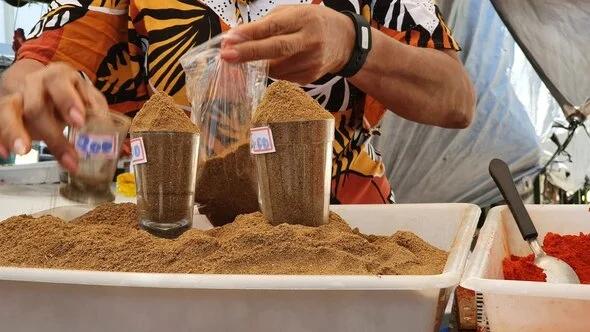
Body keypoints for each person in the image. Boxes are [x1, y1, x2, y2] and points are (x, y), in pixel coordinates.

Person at [0, 0, 475, 204]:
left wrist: (354, 44)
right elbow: (39, 65)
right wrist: (26, 88)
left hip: (344, 234)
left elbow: (456, 99)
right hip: (184, 240)